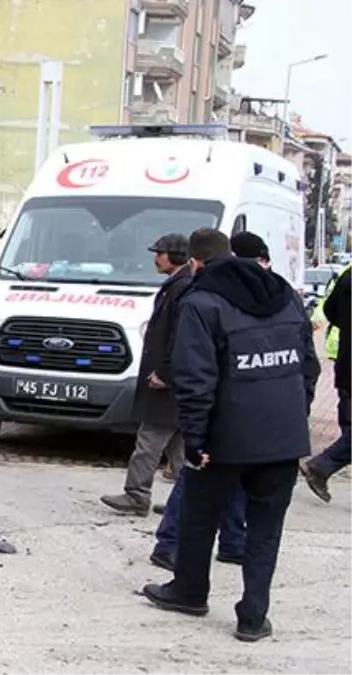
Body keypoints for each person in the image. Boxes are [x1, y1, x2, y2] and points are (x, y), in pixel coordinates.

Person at [141, 229, 318, 643]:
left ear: (198, 263)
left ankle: (189, 591)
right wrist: (294, 414)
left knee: (200, 518)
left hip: (226, 437)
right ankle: (253, 616)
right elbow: (307, 368)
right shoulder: (286, 295)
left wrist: (197, 440)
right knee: (266, 529)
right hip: (283, 436)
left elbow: (195, 378)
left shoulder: (201, 303)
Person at [102, 234, 192, 517]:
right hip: (178, 382)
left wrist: (164, 372)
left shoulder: (182, 286)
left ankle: (137, 494)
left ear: (174, 256)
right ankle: (188, 500)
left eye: (160, 253)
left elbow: (180, 336)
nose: (155, 258)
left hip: (168, 382)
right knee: (181, 446)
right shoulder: (181, 284)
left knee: (150, 441)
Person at [303, 247, 352, 502]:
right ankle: (322, 465)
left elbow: (332, 311)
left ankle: (322, 467)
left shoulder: (347, 275)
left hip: (346, 362)